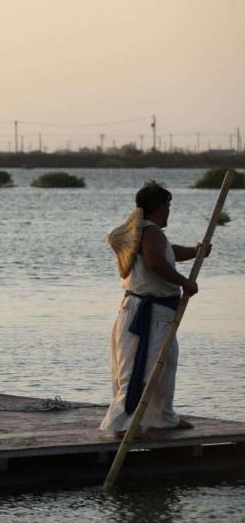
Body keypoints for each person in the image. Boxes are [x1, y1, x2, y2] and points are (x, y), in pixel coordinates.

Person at [100, 181, 209, 436]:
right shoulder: (149, 232)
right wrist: (185, 282)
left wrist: (195, 252)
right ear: (160, 207)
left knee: (165, 364)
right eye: (168, 205)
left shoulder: (147, 233)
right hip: (147, 314)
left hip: (151, 311)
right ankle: (122, 424)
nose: (169, 210)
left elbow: (168, 253)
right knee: (141, 370)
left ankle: (162, 418)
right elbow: (156, 263)